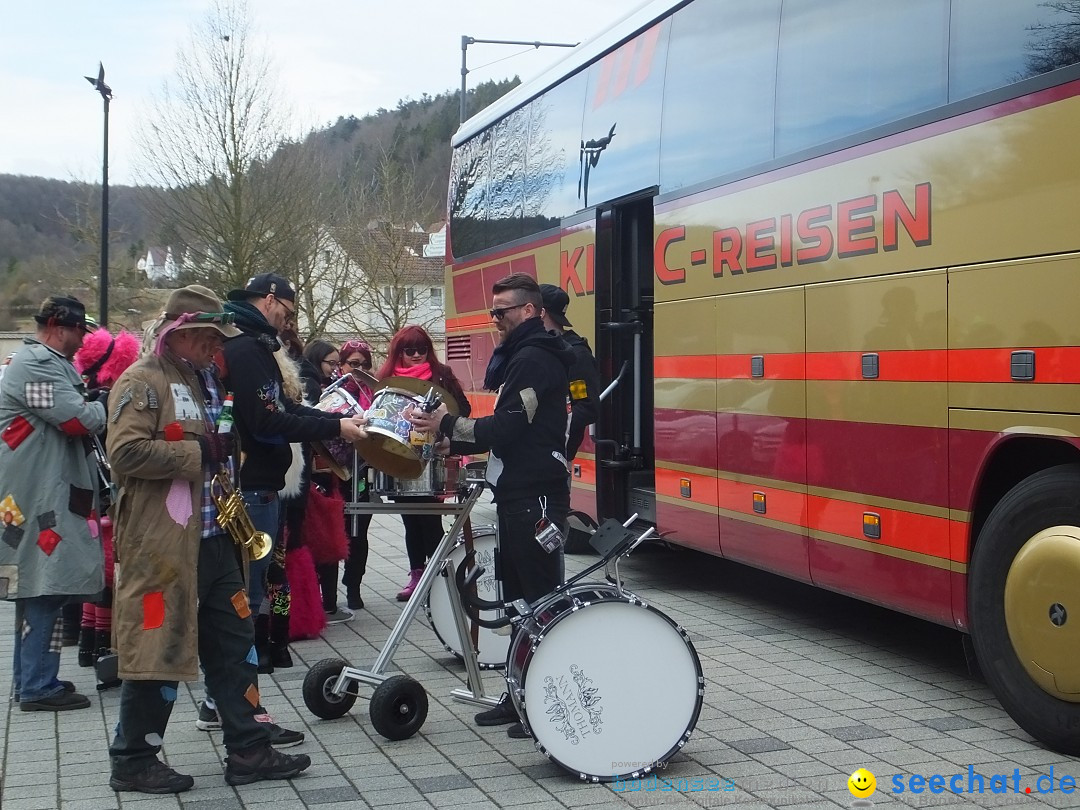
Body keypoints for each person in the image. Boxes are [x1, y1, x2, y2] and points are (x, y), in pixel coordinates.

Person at [105, 285, 313, 794]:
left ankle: (247, 748)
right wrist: (197, 454)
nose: (216, 347)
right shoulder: (141, 381)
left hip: (219, 535)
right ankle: (133, 759)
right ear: (182, 333)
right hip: (165, 544)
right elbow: (125, 453)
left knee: (235, 641)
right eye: (208, 338)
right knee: (159, 644)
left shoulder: (204, 379)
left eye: (219, 338)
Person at [409, 273, 573, 739]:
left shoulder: (536, 360)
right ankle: (520, 696)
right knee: (521, 601)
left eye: (500, 312)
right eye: (492, 312)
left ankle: (546, 701)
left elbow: (506, 429)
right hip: (518, 493)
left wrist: (447, 424)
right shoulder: (522, 358)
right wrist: (452, 442)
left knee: (541, 601)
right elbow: (503, 436)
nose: (494, 320)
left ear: (528, 311)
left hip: (535, 495)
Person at [220, 273, 367, 670]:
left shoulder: (259, 345)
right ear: (270, 300)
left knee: (277, 572)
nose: (289, 322)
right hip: (257, 487)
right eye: (287, 312)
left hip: (287, 487)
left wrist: (336, 421)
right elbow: (271, 419)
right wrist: (336, 425)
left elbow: (288, 408)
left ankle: (278, 642)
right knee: (254, 588)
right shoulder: (248, 348)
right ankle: (237, 688)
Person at [0, 295, 105, 712]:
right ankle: (36, 685)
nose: (83, 340)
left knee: (45, 588)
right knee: (45, 585)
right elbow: (76, 419)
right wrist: (104, 404)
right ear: (61, 326)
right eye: (81, 331)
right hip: (40, 497)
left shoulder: (39, 361)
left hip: (41, 491)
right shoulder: (38, 364)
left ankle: (34, 677)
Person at [376, 326, 470, 601]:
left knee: (430, 520)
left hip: (434, 455)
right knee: (410, 521)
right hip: (400, 455)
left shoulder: (443, 375)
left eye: (422, 349)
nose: (417, 355)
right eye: (410, 350)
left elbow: (463, 410)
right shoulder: (388, 378)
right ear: (399, 352)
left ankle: (440, 573)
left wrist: (443, 427)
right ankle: (417, 575)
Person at [72, 327, 141, 676]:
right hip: (111, 495)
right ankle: (105, 648)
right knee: (114, 573)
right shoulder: (109, 402)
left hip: (90, 500)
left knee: (100, 573)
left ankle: (90, 644)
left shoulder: (83, 395)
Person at [317, 339, 377, 616]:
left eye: (365, 364)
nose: (360, 369)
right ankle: (328, 596)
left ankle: (354, 587)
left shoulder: (375, 394)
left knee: (359, 534)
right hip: (332, 473)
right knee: (331, 533)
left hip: (362, 471)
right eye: (353, 364)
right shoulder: (330, 394)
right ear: (341, 366)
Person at [539, 283, 600, 463]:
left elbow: (586, 407)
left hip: (555, 455)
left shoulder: (576, 356)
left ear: (541, 312)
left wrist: (546, 427)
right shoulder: (541, 349)